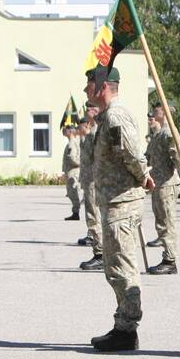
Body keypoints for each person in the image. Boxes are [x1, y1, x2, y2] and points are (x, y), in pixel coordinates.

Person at [87, 65, 154, 352]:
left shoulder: (115, 116)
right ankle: (123, 325)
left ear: (103, 86)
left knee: (122, 267)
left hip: (122, 203)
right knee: (114, 266)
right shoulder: (107, 117)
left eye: (89, 84)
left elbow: (130, 153)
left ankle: (127, 329)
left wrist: (143, 177)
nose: (85, 89)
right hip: (114, 201)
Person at [145, 103, 180, 275]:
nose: (154, 111)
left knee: (167, 223)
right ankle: (167, 256)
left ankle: (170, 260)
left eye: (157, 108)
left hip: (167, 183)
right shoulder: (158, 133)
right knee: (161, 222)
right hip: (158, 183)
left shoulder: (169, 133)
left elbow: (177, 156)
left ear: (166, 112)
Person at [78, 98, 105, 270]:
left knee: (94, 218)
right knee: (92, 217)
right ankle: (100, 252)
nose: (85, 111)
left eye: (87, 108)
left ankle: (100, 254)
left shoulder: (97, 132)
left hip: (95, 182)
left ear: (95, 110)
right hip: (90, 181)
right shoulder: (92, 131)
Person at [62, 125, 82, 220]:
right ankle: (75, 212)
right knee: (72, 193)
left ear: (70, 131)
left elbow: (72, 157)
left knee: (73, 193)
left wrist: (80, 164)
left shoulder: (72, 142)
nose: (63, 130)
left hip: (73, 171)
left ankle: (76, 213)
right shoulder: (73, 141)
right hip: (72, 171)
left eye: (65, 129)